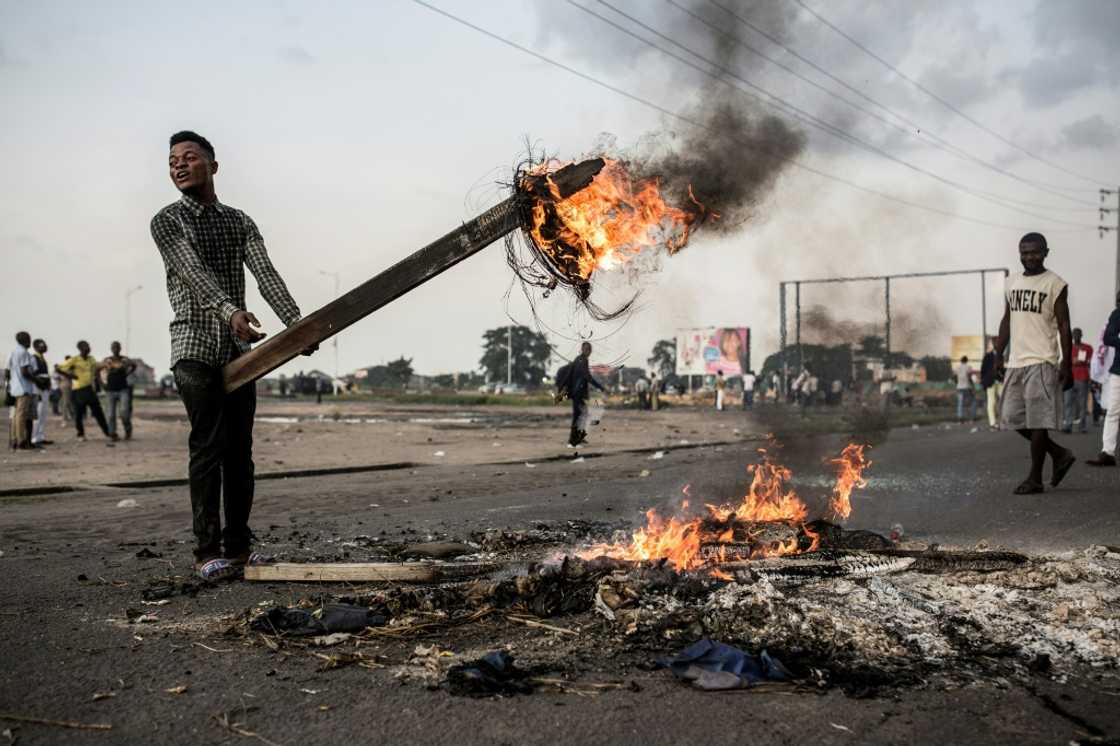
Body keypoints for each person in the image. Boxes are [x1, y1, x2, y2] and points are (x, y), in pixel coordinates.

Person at [151, 130, 311, 579]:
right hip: (194, 349)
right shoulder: (167, 221)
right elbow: (192, 271)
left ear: (213, 166)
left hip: (240, 355)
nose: (178, 166)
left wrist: (296, 324)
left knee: (241, 451)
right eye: (171, 162)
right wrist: (229, 311)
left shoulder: (239, 220)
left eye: (189, 157)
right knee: (208, 448)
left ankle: (239, 547)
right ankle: (207, 553)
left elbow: (264, 271)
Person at [993, 232, 1075, 494]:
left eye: (1035, 252)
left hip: (1042, 360)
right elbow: (1007, 319)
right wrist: (998, 354)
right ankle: (1059, 453)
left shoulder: (1055, 284)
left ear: (1046, 252)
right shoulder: (1011, 282)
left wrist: (1066, 363)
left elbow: (1064, 325)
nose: (1030, 257)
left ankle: (1035, 479)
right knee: (1010, 417)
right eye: (1025, 252)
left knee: (1038, 421)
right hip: (1016, 361)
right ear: (1019, 253)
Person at [1087, 291, 1120, 466]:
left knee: (1113, 412)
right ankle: (1107, 452)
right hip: (1118, 371)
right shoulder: (1117, 314)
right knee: (1113, 411)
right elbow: (1108, 338)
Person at [56, 341, 112, 442]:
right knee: (79, 414)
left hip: (90, 389)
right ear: (81, 348)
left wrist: (105, 364)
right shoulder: (74, 360)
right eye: (86, 346)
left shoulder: (91, 359)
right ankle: (80, 434)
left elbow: (96, 366)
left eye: (89, 346)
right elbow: (58, 368)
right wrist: (70, 376)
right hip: (78, 390)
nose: (88, 348)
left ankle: (108, 433)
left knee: (98, 412)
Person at [563, 341, 605, 446]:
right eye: (587, 349)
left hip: (576, 392)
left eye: (589, 350)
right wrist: (599, 387)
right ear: (583, 350)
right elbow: (587, 376)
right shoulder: (583, 360)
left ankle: (578, 437)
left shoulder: (578, 359)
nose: (589, 352)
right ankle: (572, 441)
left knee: (583, 414)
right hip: (577, 392)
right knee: (578, 416)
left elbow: (570, 375)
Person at [7, 331, 36, 450]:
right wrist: (36, 380)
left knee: (16, 415)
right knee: (21, 415)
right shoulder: (24, 352)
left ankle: (14, 440)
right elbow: (24, 372)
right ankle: (21, 441)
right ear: (25, 340)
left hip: (15, 387)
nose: (30, 342)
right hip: (23, 387)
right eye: (28, 339)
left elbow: (8, 371)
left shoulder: (13, 352)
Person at [102, 341, 137, 440]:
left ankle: (128, 430)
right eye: (113, 347)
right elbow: (97, 369)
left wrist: (127, 373)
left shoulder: (124, 360)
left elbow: (134, 365)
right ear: (111, 349)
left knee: (124, 412)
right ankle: (113, 434)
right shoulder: (107, 360)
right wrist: (102, 383)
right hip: (110, 390)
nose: (115, 349)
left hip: (123, 389)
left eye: (117, 347)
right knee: (110, 415)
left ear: (120, 348)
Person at [1061, 328, 1094, 434]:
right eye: (1074, 334)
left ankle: (1082, 426)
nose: (1076, 336)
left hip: (1082, 378)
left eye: (1078, 334)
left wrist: (1076, 361)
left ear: (1081, 335)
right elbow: (1065, 361)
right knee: (1068, 402)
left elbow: (1087, 359)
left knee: (1082, 403)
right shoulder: (1068, 348)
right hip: (1070, 378)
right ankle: (1068, 425)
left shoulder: (1087, 348)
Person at [30, 339, 53, 446]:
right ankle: (34, 438)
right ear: (35, 347)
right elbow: (32, 374)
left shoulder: (42, 359)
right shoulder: (33, 358)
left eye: (45, 345)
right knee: (38, 413)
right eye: (42, 345)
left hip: (45, 388)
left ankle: (40, 436)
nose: (44, 347)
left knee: (44, 413)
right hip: (38, 388)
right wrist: (40, 384)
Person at [980, 341, 1003, 431]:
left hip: (1000, 381)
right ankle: (993, 423)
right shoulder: (988, 356)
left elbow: (1002, 368)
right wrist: (984, 382)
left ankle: (1003, 421)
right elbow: (983, 370)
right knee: (991, 402)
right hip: (990, 382)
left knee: (1004, 401)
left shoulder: (1001, 356)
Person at [955, 356, 977, 422]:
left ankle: (960, 417)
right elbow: (969, 377)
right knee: (972, 402)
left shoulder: (957, 368)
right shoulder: (968, 367)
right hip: (967, 387)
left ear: (961, 361)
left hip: (959, 387)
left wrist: (957, 383)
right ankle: (972, 417)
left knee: (960, 403)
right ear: (966, 361)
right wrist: (973, 386)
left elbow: (954, 377)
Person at [57, 356, 74, 422]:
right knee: (66, 402)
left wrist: (59, 384)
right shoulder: (68, 368)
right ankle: (64, 418)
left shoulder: (63, 367)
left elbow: (58, 377)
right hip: (67, 385)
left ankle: (71, 416)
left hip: (63, 385)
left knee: (68, 401)